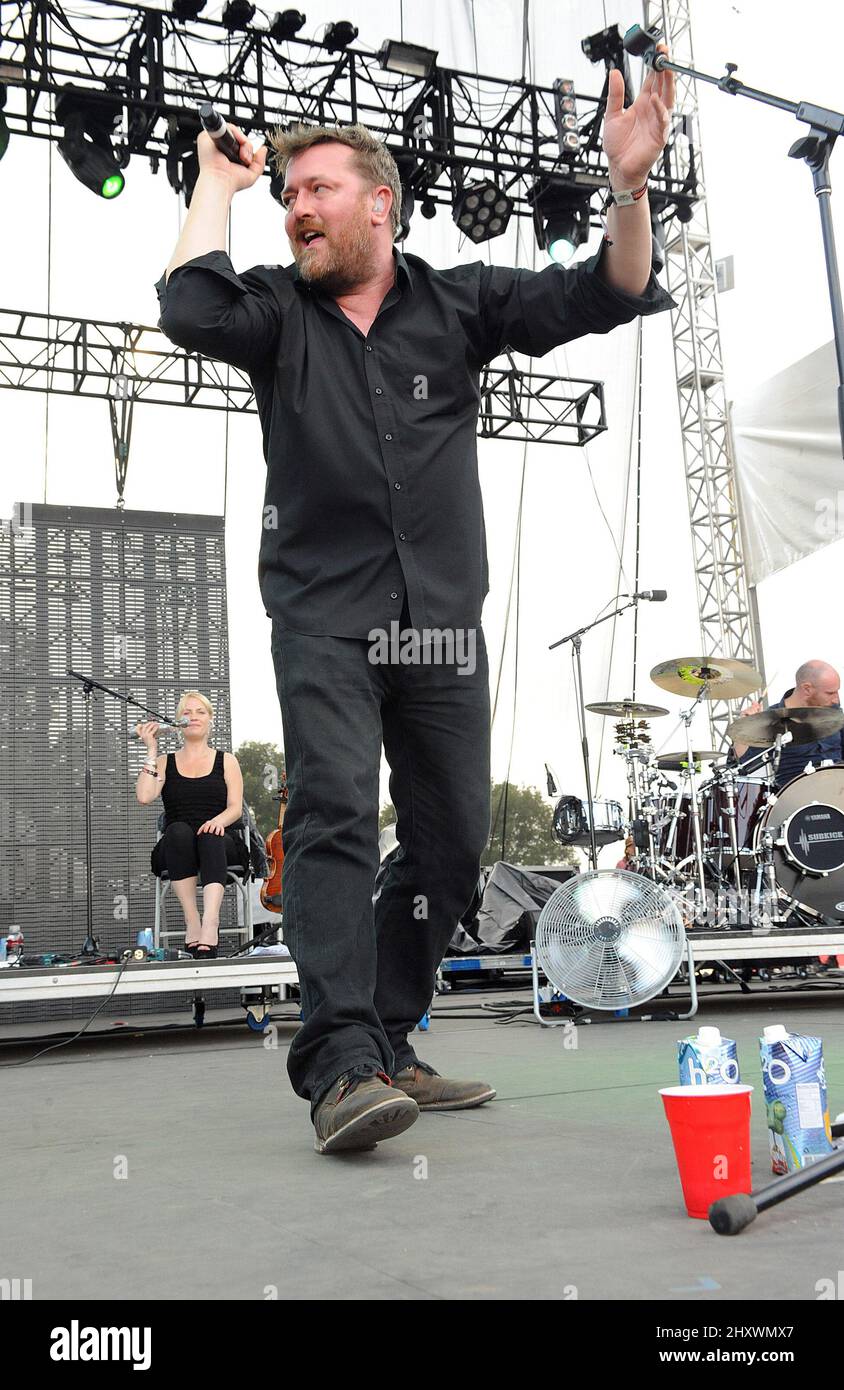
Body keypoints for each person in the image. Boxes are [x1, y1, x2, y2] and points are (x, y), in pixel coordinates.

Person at [154, 54, 675, 1154]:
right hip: (324, 614)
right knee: (338, 811)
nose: (297, 206)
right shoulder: (275, 314)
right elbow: (187, 305)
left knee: (450, 846)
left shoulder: (459, 302)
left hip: (437, 619)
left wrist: (627, 191)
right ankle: (339, 1061)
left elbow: (608, 290)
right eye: (289, 193)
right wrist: (217, 184)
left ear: (378, 203)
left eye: (317, 189)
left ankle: (388, 1036)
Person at [136, 691, 247, 957]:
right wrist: (151, 749)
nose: (194, 717)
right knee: (177, 831)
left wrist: (217, 822)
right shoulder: (165, 762)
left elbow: (235, 808)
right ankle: (192, 920)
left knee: (209, 834)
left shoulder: (227, 760)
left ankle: (211, 921)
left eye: (200, 712)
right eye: (187, 712)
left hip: (220, 840)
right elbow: (144, 796)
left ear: (210, 719)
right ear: (177, 723)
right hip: (178, 845)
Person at [731, 660, 844, 790]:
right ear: (807, 688)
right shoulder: (770, 720)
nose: (836, 699)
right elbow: (742, 764)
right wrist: (745, 729)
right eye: (830, 693)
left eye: (837, 692)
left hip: (839, 792)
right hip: (795, 798)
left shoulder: (833, 711)